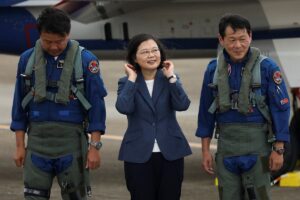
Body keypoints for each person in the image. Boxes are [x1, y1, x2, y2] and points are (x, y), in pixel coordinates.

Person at [11, 7, 107, 200]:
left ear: (68, 34)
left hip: (71, 142)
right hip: (37, 142)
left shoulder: (86, 61)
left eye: (59, 41)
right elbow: (19, 107)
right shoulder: (27, 60)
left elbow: (97, 106)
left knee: (76, 196)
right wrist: (20, 146)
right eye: (47, 41)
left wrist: (94, 147)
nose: (54, 46)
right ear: (39, 35)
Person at [195, 13, 290, 200]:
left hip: (258, 148)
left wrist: (279, 149)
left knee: (260, 196)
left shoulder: (267, 68)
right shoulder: (213, 70)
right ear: (221, 40)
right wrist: (205, 151)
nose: (237, 45)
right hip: (226, 149)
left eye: (242, 39)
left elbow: (281, 109)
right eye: (231, 40)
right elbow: (205, 114)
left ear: (250, 37)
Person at [116, 33, 192, 200]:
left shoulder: (170, 79)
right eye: (144, 52)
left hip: (170, 152)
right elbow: (123, 107)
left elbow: (182, 105)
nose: (151, 55)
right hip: (138, 153)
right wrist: (132, 79)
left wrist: (171, 77)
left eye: (154, 50)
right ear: (134, 58)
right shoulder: (126, 82)